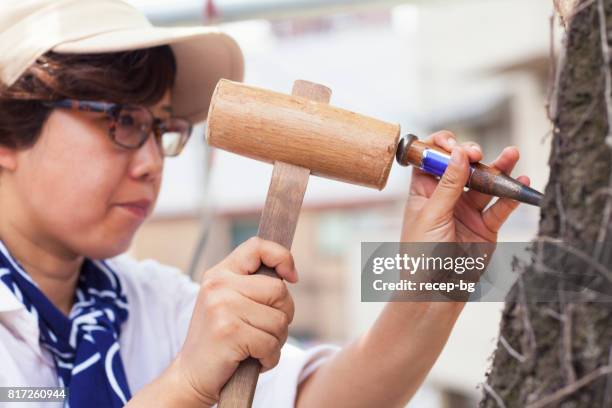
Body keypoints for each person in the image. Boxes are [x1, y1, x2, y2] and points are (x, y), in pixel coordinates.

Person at [0, 1, 530, 407]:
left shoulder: (148, 303)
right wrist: (185, 383)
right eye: (122, 122)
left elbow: (330, 399)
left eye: (161, 128)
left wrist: (436, 283)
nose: (151, 163)